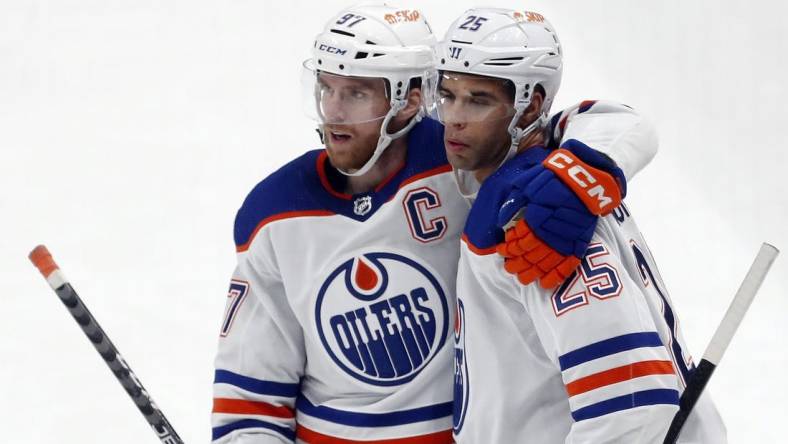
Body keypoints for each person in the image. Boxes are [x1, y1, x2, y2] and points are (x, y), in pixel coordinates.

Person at [211, 4, 658, 443]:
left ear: (409, 98)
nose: (335, 111)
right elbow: (248, 404)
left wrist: (578, 173)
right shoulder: (273, 211)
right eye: (327, 88)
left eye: (358, 92)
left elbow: (603, 122)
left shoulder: (471, 166)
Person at [435, 8, 727, 443]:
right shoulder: (567, 173)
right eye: (448, 95)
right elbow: (610, 119)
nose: (453, 118)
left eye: (478, 100)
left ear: (530, 105)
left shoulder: (536, 219)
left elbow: (630, 407)